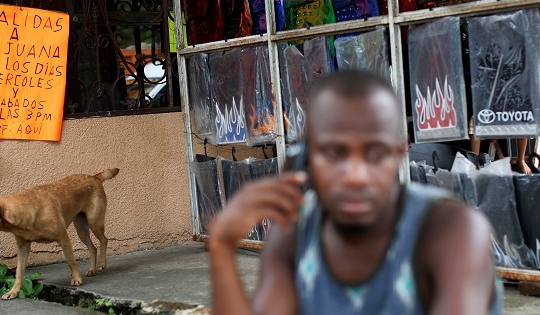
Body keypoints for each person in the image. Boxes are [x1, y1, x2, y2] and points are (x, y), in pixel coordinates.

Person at [208, 70, 501, 315]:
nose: (356, 177)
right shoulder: (294, 231)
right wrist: (222, 246)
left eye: (375, 153)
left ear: (399, 154)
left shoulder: (451, 230)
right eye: (334, 153)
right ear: (306, 159)